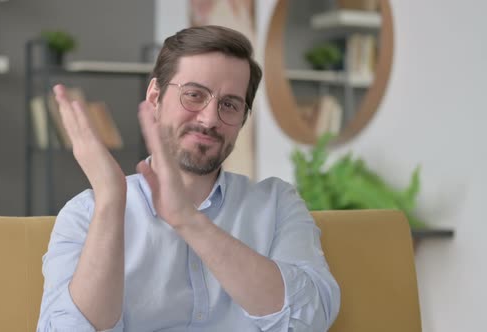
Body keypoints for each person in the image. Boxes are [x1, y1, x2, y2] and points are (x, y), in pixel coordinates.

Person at [36, 25, 340, 332]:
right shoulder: (87, 213)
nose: (209, 120)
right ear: (155, 96)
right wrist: (111, 201)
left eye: (229, 105)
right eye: (194, 95)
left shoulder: (277, 204)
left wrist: (187, 220)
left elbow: (310, 320)